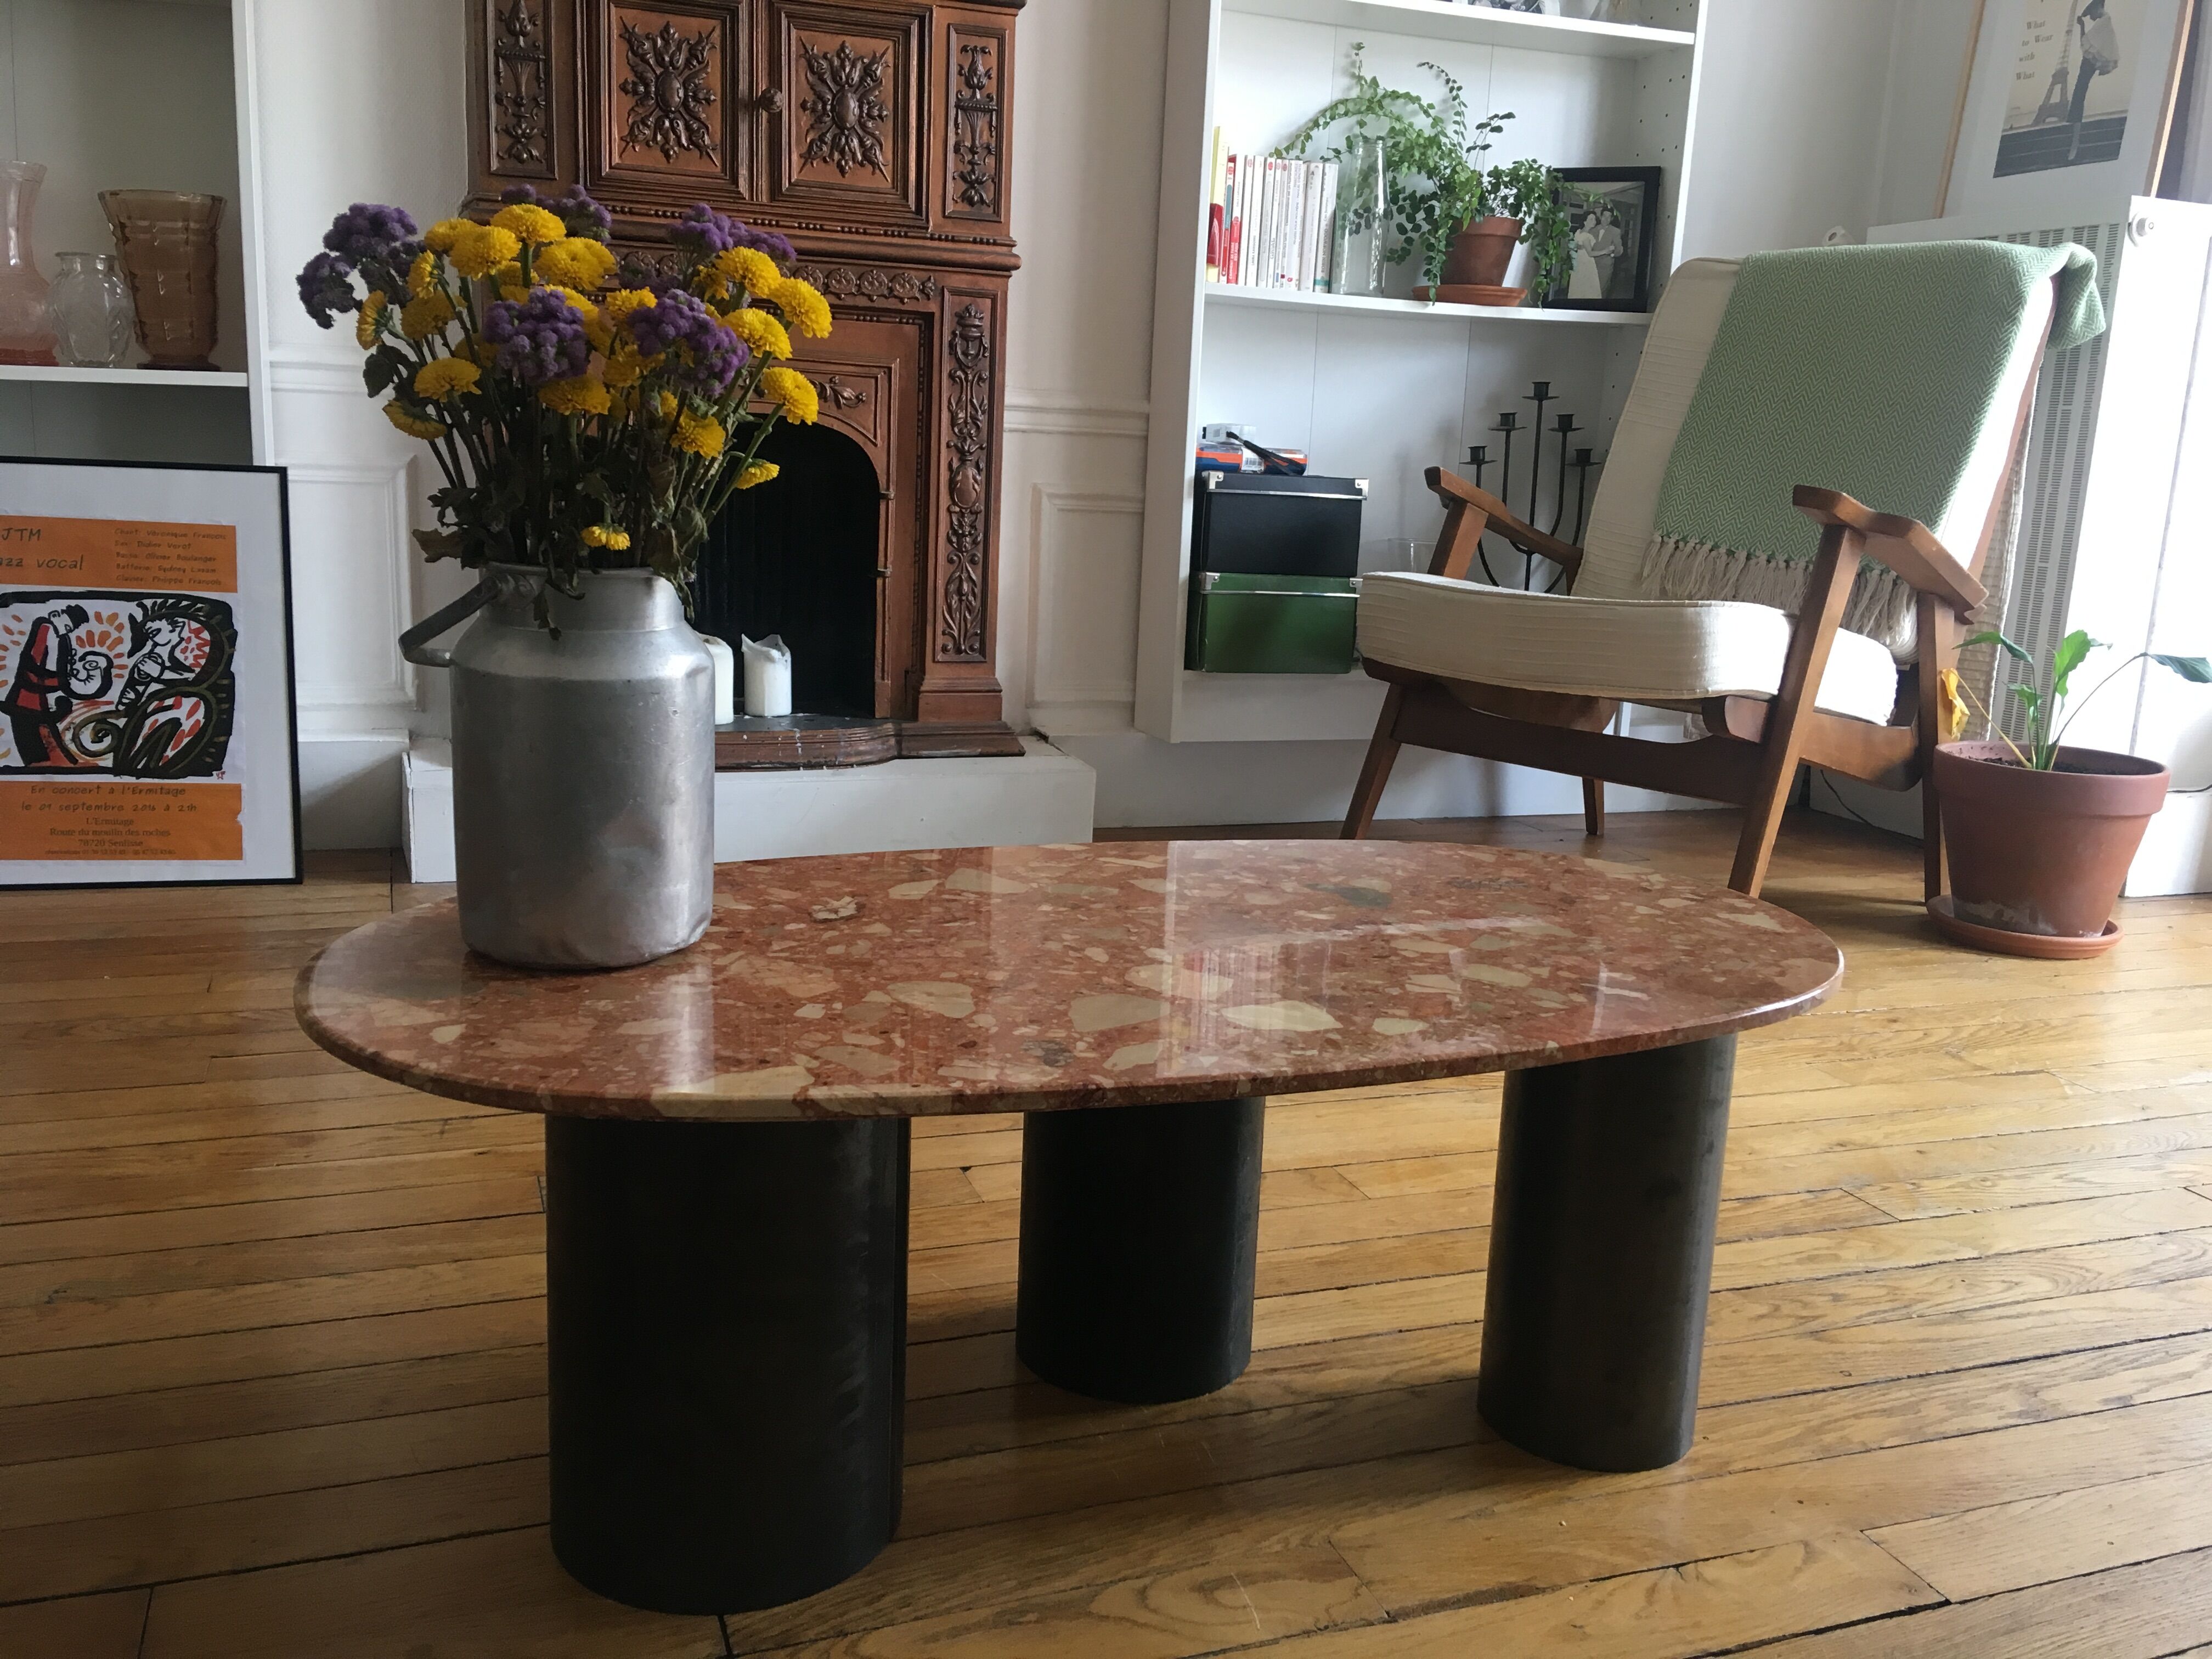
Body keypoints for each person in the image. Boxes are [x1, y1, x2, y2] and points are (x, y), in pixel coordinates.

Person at [4, 603, 91, 769]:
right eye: (66, 626)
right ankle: (40, 763)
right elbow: (32, 668)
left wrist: (60, 679)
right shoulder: (45, 629)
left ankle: (57, 762)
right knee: (32, 732)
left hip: (35, 700)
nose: (64, 631)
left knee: (43, 729)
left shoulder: (56, 636)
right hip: (25, 699)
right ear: (57, 615)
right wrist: (58, 681)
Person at [2069, 0, 2121, 162]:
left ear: (2098, 8)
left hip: (2089, 64)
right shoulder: (2104, 23)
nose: (2092, 17)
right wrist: (2082, 26)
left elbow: (2087, 44)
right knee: (2079, 94)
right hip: (2089, 63)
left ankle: (2075, 140)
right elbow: (2088, 44)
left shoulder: (2104, 22)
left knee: (2079, 93)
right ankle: (2074, 138)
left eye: (2092, 13)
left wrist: (2082, 27)